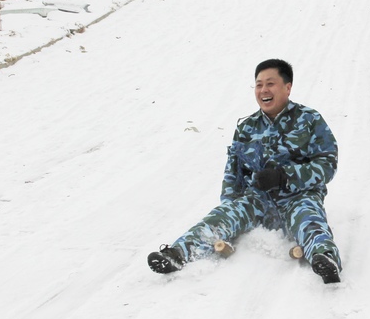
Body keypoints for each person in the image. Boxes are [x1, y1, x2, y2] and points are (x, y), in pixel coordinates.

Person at [147, 59, 343, 284]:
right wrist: (229, 205)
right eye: (259, 85)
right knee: (218, 219)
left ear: (287, 87)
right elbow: (234, 171)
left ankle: (325, 259)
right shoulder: (246, 126)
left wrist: (284, 176)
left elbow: (327, 164)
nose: (263, 90)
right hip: (257, 200)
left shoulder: (310, 120)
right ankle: (177, 254)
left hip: (298, 197)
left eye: (270, 84)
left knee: (309, 220)